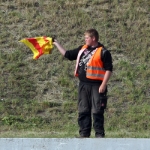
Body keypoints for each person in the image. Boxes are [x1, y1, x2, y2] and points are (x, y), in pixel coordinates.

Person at [53, 29, 113, 138]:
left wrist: (103, 85)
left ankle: (99, 135)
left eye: (87, 38)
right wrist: (56, 43)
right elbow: (68, 54)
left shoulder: (103, 52)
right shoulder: (83, 49)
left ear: (93, 38)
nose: (85, 40)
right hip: (83, 85)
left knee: (97, 110)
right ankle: (84, 134)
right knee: (83, 109)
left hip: (97, 86)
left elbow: (109, 69)